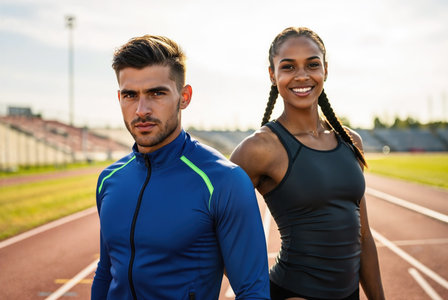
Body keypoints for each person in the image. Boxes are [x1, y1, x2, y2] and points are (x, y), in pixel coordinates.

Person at [91, 35, 270, 300]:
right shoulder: (109, 180)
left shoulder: (223, 181)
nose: (141, 110)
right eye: (130, 95)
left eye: (156, 93)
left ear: (184, 97)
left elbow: (252, 291)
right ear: (119, 98)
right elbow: (106, 273)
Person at [230, 27, 385, 300]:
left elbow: (363, 236)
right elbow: (219, 230)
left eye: (312, 64)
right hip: (291, 292)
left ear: (325, 69)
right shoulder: (260, 148)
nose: (302, 76)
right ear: (272, 74)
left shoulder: (351, 141)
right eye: (288, 67)